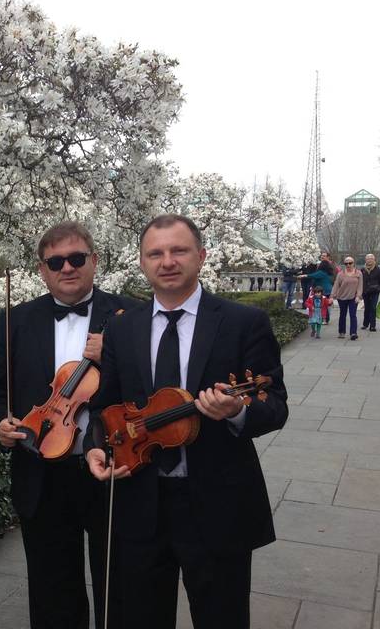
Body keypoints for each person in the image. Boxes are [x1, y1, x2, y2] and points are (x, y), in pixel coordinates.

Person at [84, 214, 288, 629]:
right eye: (155, 253)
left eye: (179, 250)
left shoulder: (242, 322)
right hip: (140, 502)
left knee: (222, 618)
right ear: (142, 263)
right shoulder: (123, 328)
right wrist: (94, 446)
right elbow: (106, 407)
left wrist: (238, 412)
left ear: (201, 256)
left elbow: (275, 403)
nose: (167, 261)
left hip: (216, 504)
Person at [0, 221, 141, 629]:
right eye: (56, 261)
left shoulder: (130, 316)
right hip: (42, 473)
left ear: (94, 261)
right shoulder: (16, 320)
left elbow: (152, 387)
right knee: (52, 592)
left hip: (112, 472)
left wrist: (117, 353)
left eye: (77, 258)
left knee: (118, 587)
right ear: (42, 270)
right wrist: (0, 423)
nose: (67, 268)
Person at [330, 256, 361, 340]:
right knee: (342, 315)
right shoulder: (341, 274)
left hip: (353, 297)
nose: (348, 265)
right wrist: (332, 296)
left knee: (353, 315)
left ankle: (353, 333)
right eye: (346, 263)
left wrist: (358, 296)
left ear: (353, 263)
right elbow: (336, 285)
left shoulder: (358, 273)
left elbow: (360, 286)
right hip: (342, 297)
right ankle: (342, 332)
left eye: (350, 263)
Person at [361, 253, 380, 332]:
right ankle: (365, 324)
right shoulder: (362, 269)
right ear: (365, 260)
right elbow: (360, 282)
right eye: (368, 258)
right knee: (367, 308)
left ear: (374, 260)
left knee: (373, 308)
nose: (369, 260)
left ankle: (372, 326)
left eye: (371, 258)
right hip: (365, 292)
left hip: (375, 291)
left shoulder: (378, 269)